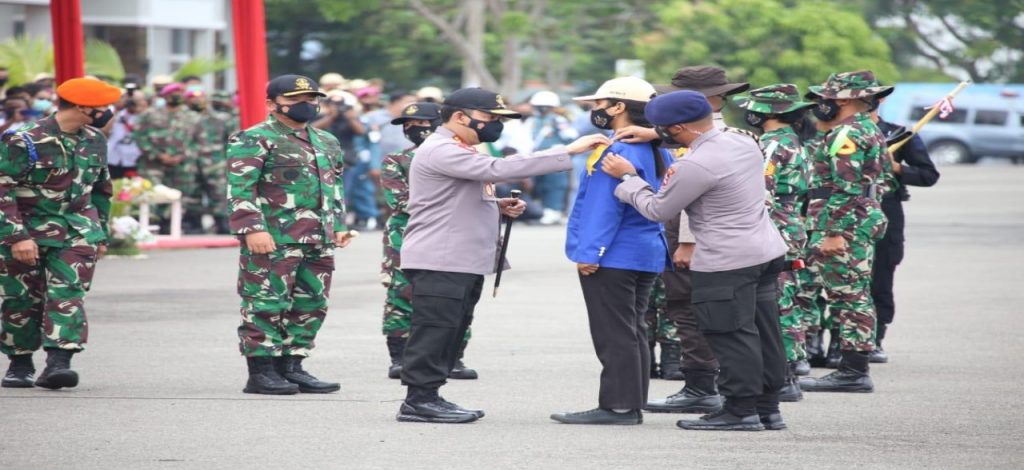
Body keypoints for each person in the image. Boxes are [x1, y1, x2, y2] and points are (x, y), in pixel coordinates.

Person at [396, 87, 610, 424]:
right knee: (435, 329)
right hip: (440, 257)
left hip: (458, 257)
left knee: (451, 328)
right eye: (490, 118)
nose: (496, 125)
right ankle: (418, 400)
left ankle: (430, 395)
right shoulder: (441, 149)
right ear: (459, 117)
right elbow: (498, 168)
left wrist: (497, 206)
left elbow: (454, 199)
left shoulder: (460, 148)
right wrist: (568, 150)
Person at [602, 90, 789, 431]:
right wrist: (659, 135)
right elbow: (690, 140)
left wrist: (629, 179)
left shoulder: (695, 164)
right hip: (765, 250)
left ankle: (739, 411)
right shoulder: (743, 142)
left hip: (725, 261)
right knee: (764, 330)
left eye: (663, 129)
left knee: (730, 333)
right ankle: (767, 407)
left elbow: (657, 209)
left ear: (678, 129)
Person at [617, 65, 752, 415]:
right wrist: (656, 137)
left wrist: (688, 242)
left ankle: (700, 385)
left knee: (687, 308)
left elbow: (696, 196)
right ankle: (705, 384)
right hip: (713, 236)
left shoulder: (702, 145)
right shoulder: (732, 137)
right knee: (689, 308)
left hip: (693, 233)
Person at [550, 77, 671, 425]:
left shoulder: (619, 149)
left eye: (598, 104)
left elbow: (604, 206)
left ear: (618, 107)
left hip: (615, 253)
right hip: (645, 251)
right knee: (633, 329)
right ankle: (630, 403)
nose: (594, 111)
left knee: (614, 332)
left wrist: (590, 251)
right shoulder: (655, 145)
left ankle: (618, 407)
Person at [227, 74, 355, 395]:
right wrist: (252, 228)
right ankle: (261, 371)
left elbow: (334, 186)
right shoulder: (253, 138)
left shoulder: (326, 141)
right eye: (297, 100)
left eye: (311, 99)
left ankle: (292, 366)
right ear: (272, 103)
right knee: (267, 302)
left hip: (319, 237)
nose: (306, 105)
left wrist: (338, 225)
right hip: (274, 237)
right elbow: (241, 187)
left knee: (311, 303)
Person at [0, 77, 120, 389]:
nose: (109, 111)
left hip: (77, 231)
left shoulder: (95, 139)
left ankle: (58, 362)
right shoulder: (23, 140)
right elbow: (3, 189)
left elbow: (101, 189)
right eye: (102, 106)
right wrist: (16, 237)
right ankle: (20, 361)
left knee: (68, 295)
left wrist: (101, 233)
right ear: (82, 107)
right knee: (22, 299)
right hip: (27, 232)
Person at [798, 71, 892, 393]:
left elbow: (845, 187)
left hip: (846, 222)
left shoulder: (847, 134)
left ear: (842, 99)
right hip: (859, 218)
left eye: (827, 97)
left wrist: (833, 231)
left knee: (849, 296)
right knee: (854, 294)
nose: (822, 103)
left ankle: (853, 371)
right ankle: (854, 368)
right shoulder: (869, 128)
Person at [380, 101, 477, 380]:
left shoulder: (463, 155)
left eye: (423, 124)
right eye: (409, 126)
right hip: (404, 233)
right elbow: (400, 202)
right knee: (401, 294)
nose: (415, 129)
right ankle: (399, 357)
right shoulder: (396, 160)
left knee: (453, 295)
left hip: (451, 233)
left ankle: (454, 356)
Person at [734, 84, 817, 402]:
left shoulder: (772, 144)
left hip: (774, 228)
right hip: (791, 225)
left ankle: (783, 375)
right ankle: (790, 369)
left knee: (776, 304)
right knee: (786, 299)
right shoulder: (795, 141)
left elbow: (762, 190)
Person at [869, 97, 939, 363]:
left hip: (887, 210)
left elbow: (928, 175)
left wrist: (896, 167)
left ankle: (874, 339)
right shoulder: (838, 135)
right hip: (846, 212)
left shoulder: (899, 134)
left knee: (881, 274)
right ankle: (836, 343)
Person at [133, 83, 201, 233]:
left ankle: (169, 226)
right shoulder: (149, 115)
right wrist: (157, 155)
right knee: (151, 193)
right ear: (164, 96)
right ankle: (148, 225)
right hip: (153, 163)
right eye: (172, 93)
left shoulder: (193, 117)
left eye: (179, 93)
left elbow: (198, 142)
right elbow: (139, 137)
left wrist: (182, 156)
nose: (176, 96)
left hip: (181, 165)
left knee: (180, 194)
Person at [525, 91, 579, 225]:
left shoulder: (558, 120)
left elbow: (570, 137)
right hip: (537, 158)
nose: (540, 109)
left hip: (556, 159)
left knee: (555, 184)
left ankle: (554, 210)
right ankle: (542, 210)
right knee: (540, 185)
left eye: (544, 106)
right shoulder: (533, 120)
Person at [187, 89, 234, 234]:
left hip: (215, 162)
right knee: (193, 194)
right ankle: (194, 225)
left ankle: (222, 224)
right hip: (191, 162)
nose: (198, 101)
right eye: (194, 99)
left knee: (218, 194)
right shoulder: (184, 118)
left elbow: (230, 140)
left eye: (201, 98)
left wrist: (227, 160)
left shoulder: (221, 118)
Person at [106, 91, 147, 179]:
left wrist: (142, 111)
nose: (131, 102)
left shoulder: (146, 116)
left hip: (134, 158)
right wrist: (117, 110)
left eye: (137, 100)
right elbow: (105, 131)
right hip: (113, 157)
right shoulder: (117, 113)